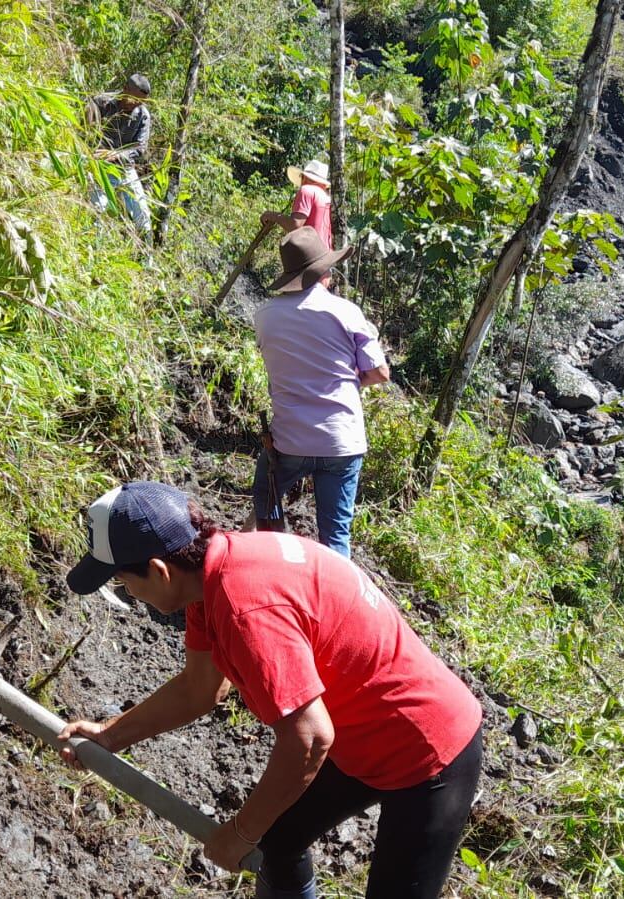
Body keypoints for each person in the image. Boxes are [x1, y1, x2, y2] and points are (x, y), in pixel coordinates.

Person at [59, 481, 484, 899]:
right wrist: (111, 735)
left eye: (123, 581)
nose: (129, 593)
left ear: (159, 570)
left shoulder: (245, 608)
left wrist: (240, 833)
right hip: (363, 734)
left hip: (429, 751)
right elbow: (199, 689)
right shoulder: (214, 575)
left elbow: (310, 736)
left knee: (267, 835)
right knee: (277, 841)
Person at [252, 226, 389, 558]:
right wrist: (349, 381)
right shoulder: (346, 312)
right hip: (341, 440)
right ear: (324, 272)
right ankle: (333, 601)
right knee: (335, 534)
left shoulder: (264, 316)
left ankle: (274, 552)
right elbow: (380, 373)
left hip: (291, 440)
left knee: (265, 495)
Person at [88, 73, 153, 230]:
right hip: (99, 166)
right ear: (125, 89)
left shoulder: (143, 115)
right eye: (134, 100)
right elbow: (85, 132)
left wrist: (117, 155)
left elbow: (140, 148)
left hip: (125, 168)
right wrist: (97, 152)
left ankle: (146, 253)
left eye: (140, 102)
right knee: (98, 212)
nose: (136, 105)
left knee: (143, 218)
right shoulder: (101, 103)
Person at [261, 160, 334, 249]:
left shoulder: (306, 190)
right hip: (325, 254)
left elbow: (295, 225)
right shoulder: (327, 198)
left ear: (304, 177)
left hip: (309, 253)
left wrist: (273, 216)